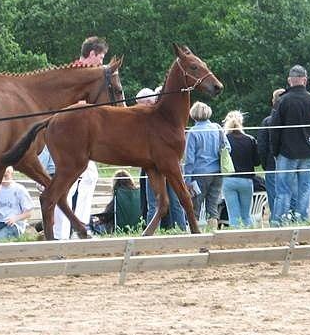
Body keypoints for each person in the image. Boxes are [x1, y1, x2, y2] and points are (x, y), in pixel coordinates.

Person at [53, 36, 108, 239]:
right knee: (68, 182)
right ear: (92, 54)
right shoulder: (78, 74)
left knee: (84, 178)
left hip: (78, 136)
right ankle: (69, 230)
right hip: (70, 137)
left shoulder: (81, 74)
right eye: (101, 57)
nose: (102, 62)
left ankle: (77, 227)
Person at [269, 64, 310, 223]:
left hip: (287, 153)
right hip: (308, 153)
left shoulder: (282, 101)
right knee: (305, 190)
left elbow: (275, 129)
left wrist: (275, 151)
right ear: (305, 80)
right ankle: (303, 220)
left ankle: (280, 221)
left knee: (283, 190)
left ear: (289, 81)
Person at [139, 87, 187, 231]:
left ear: (149, 101)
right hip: (169, 164)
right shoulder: (170, 115)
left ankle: (151, 232)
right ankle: (182, 230)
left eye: (140, 103)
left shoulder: (152, 116)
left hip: (156, 164)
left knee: (155, 202)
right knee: (174, 200)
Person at [183, 101, 227, 229]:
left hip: (199, 175)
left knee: (194, 208)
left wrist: (187, 180)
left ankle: (195, 234)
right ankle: (212, 233)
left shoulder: (192, 132)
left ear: (193, 115)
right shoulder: (217, 128)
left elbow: (189, 160)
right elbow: (227, 148)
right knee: (213, 207)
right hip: (217, 173)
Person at [222, 111, 260, 227]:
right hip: (246, 180)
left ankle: (235, 239)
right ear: (241, 122)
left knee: (233, 215)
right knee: (246, 215)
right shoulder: (250, 139)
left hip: (229, 180)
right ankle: (250, 237)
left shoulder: (224, 139)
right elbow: (257, 162)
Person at [257, 89, 284, 224]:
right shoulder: (290, 121)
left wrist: (264, 163)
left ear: (273, 101)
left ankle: (275, 221)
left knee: (274, 196)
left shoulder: (267, 121)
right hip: (288, 163)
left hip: (271, 165)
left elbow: (262, 146)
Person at [0, 166, 34, 240]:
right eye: (1, 176)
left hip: (14, 226)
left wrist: (15, 218)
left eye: (5, 176)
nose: (3, 179)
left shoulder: (19, 189)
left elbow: (29, 213)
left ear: (11, 175)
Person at [91, 169, 141, 234]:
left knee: (90, 222)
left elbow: (106, 216)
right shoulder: (138, 194)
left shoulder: (117, 196)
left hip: (119, 229)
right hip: (137, 228)